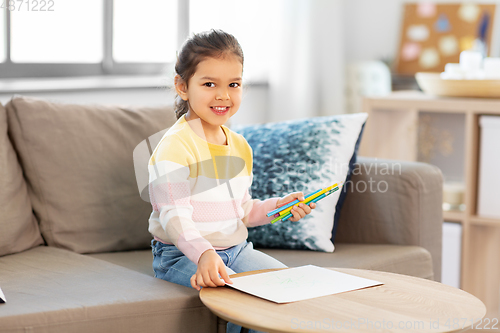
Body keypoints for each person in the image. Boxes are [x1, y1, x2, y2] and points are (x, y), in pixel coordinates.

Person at [148, 29, 316, 333]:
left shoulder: (239, 145)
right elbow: (174, 215)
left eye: (233, 84)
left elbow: (244, 211)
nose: (223, 95)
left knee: (293, 293)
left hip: (237, 249)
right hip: (180, 255)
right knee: (246, 303)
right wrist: (205, 254)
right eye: (209, 84)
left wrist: (279, 207)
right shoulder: (174, 147)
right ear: (182, 87)